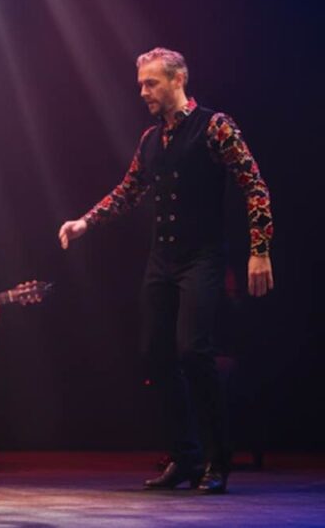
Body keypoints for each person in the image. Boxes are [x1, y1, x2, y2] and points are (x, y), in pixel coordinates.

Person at [58, 47, 273, 494]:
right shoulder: (151, 140)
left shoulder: (215, 127)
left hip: (203, 258)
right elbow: (129, 189)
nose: (143, 92)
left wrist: (260, 250)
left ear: (178, 80)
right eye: (140, 84)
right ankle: (186, 457)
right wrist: (85, 222)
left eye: (151, 83)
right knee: (155, 355)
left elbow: (254, 186)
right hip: (163, 260)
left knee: (193, 351)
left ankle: (217, 460)